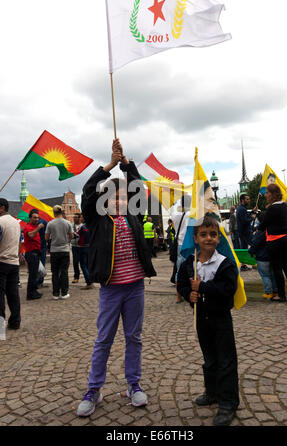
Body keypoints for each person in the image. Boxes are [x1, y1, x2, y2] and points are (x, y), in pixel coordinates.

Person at [77, 139, 156, 417]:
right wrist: (109, 166)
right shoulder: (97, 219)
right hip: (111, 289)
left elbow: (140, 189)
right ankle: (94, 389)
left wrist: (128, 165)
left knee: (133, 337)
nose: (120, 200)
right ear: (105, 200)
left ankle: (133, 385)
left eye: (123, 196)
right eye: (114, 196)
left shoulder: (134, 215)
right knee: (104, 340)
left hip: (135, 287)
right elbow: (87, 191)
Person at [177, 215, 239, 426]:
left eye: (213, 234)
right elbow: (183, 285)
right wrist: (189, 295)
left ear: (219, 238)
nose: (208, 238)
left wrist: (202, 288)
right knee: (209, 359)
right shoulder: (189, 262)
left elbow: (228, 290)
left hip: (221, 319)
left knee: (225, 361)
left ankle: (228, 402)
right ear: (195, 239)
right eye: (203, 234)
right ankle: (211, 392)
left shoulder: (225, 264)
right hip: (202, 319)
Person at [258, 184, 287, 302]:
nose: (265, 195)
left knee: (277, 268)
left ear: (272, 194)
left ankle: (281, 295)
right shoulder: (285, 206)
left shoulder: (272, 208)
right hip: (286, 239)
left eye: (267, 193)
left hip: (275, 241)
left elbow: (263, 225)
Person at [0, 198, 21, 330]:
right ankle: (15, 321)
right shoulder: (16, 222)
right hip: (14, 262)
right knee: (13, 294)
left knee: (0, 295)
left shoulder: (0, 222)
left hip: (1, 261)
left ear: (2, 208)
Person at [45, 205, 73, 300]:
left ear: (54, 212)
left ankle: (55, 293)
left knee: (55, 272)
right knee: (64, 272)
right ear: (62, 212)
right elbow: (72, 236)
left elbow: (46, 237)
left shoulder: (50, 223)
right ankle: (64, 293)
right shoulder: (67, 223)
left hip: (54, 250)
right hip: (64, 249)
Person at [249, 212, 278, 299]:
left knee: (265, 275)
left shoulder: (260, 231)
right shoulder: (272, 229)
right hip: (272, 256)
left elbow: (255, 243)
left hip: (262, 257)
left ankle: (268, 292)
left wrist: (251, 252)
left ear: (259, 220)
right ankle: (275, 291)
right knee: (273, 274)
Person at [172, 194, 191, 303]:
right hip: (187, 243)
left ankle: (178, 296)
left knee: (179, 270)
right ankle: (189, 292)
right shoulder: (190, 215)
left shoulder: (175, 214)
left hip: (178, 244)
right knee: (191, 269)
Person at [23, 210, 44, 300]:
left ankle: (34, 291)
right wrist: (38, 228)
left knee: (35, 274)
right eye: (35, 217)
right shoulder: (28, 227)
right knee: (32, 275)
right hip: (31, 254)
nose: (37, 219)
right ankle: (30, 294)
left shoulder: (33, 226)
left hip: (36, 253)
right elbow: (31, 235)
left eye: (38, 217)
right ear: (30, 218)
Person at [236, 194, 256, 271]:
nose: (249, 200)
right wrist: (252, 217)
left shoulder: (241, 208)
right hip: (245, 232)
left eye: (249, 199)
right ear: (242, 200)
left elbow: (246, 216)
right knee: (255, 245)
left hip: (243, 232)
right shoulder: (242, 209)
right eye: (247, 199)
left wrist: (252, 211)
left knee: (244, 249)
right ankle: (256, 263)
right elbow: (245, 220)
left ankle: (243, 265)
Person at [77, 214, 94, 290]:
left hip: (83, 247)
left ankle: (89, 282)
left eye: (81, 217)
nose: (80, 218)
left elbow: (76, 235)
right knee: (88, 265)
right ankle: (91, 281)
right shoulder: (92, 225)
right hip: (90, 247)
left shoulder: (82, 227)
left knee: (83, 265)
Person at [71, 213, 81, 284]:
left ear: (79, 218)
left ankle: (89, 277)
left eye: (76, 217)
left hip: (82, 246)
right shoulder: (71, 225)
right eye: (74, 217)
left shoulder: (82, 225)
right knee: (75, 262)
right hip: (74, 246)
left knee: (84, 263)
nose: (74, 219)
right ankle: (76, 277)